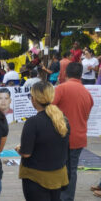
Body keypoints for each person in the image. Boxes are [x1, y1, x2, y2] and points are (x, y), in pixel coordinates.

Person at [16, 82, 69, 201]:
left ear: (34, 99)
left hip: (36, 177)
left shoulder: (33, 122)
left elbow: (26, 153)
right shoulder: (62, 120)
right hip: (57, 175)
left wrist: (19, 148)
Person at [52, 62, 93, 201]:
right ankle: (67, 197)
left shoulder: (61, 89)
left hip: (62, 137)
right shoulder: (87, 93)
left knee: (59, 169)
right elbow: (86, 116)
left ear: (65, 73)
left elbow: (49, 110)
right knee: (72, 169)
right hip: (79, 137)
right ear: (81, 74)